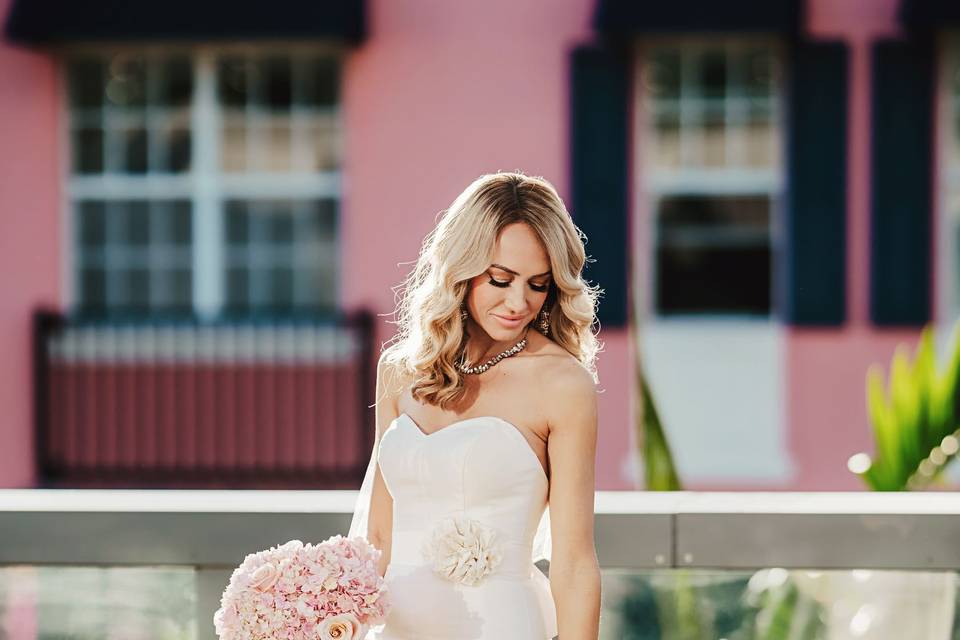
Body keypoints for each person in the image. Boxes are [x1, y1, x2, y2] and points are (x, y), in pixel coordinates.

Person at [349, 171, 602, 639]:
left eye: (538, 284)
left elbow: (574, 562)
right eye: (501, 279)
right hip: (397, 628)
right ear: (460, 268)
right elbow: (377, 538)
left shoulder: (563, 384)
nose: (518, 302)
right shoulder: (401, 371)